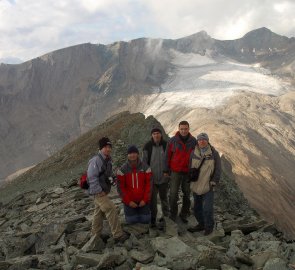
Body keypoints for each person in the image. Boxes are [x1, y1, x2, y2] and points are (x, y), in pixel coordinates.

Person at [87, 137, 128, 243]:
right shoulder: (96, 160)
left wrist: (113, 181)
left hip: (103, 191)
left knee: (98, 212)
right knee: (111, 208)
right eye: (106, 147)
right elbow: (92, 177)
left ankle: (95, 234)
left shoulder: (108, 160)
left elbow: (108, 174)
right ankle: (118, 235)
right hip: (98, 192)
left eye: (109, 147)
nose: (108, 149)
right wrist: (99, 191)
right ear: (101, 148)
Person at [188, 133, 221, 235]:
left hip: (208, 185)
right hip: (196, 184)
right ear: (197, 141)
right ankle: (201, 224)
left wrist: (214, 181)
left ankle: (209, 227)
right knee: (196, 208)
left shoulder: (214, 154)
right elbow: (190, 167)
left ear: (207, 141)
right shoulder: (193, 153)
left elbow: (218, 169)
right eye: (200, 140)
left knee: (207, 209)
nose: (202, 141)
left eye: (204, 140)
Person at [164, 120, 197, 223]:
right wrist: (166, 170)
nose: (183, 131)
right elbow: (167, 156)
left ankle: (184, 214)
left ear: (188, 129)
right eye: (182, 129)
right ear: (178, 129)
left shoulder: (193, 141)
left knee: (187, 193)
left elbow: (197, 156)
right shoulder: (172, 141)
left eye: (185, 129)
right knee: (173, 194)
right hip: (175, 171)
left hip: (188, 172)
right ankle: (173, 214)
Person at [117, 145, 152, 224]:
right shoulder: (122, 170)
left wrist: (145, 200)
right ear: (127, 155)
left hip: (143, 201)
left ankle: (142, 212)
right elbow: (120, 188)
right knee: (131, 221)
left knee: (145, 220)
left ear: (138, 154)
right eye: (130, 153)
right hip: (130, 202)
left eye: (134, 153)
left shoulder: (145, 167)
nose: (132, 155)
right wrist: (129, 202)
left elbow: (149, 185)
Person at [142, 127, 170, 227]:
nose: (156, 135)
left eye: (158, 133)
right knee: (152, 201)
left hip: (164, 178)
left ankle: (166, 216)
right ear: (151, 135)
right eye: (154, 134)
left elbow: (170, 160)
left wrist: (168, 172)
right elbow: (144, 163)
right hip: (152, 179)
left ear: (161, 134)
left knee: (164, 198)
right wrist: (147, 175)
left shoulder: (166, 145)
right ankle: (153, 219)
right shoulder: (147, 146)